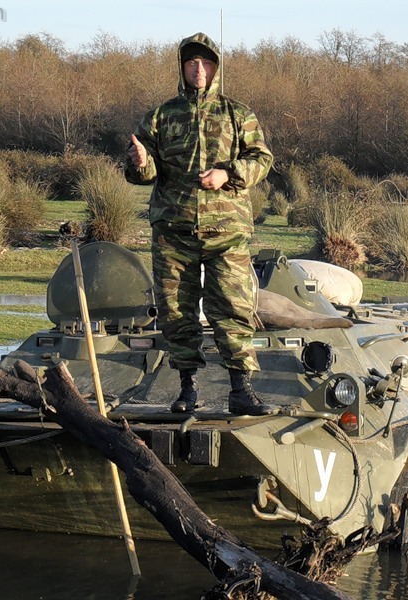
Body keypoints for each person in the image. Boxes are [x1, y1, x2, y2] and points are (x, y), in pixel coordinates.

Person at [125, 32, 275, 416]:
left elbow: (261, 159)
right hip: (174, 233)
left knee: (233, 307)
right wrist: (141, 162)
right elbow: (143, 173)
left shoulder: (238, 114)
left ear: (216, 68)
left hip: (226, 232)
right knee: (177, 312)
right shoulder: (160, 116)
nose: (198, 69)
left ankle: (241, 389)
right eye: (192, 62)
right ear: (182, 67)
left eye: (206, 62)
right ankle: (187, 388)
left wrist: (228, 173)